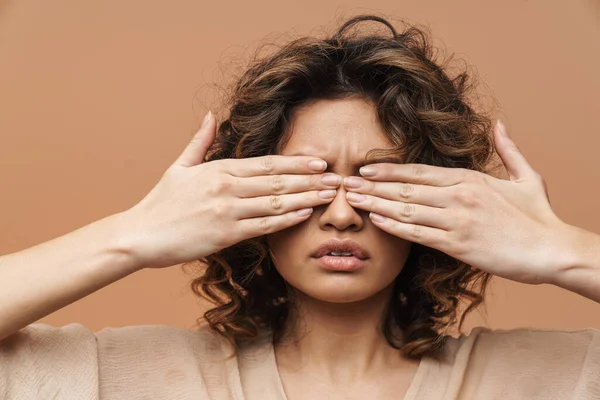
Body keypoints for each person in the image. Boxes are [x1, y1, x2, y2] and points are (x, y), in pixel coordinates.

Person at [1, 14, 599, 400]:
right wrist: (131, 235)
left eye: (375, 179)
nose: (342, 215)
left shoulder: (549, 378)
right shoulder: (136, 377)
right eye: (307, 181)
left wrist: (561, 251)